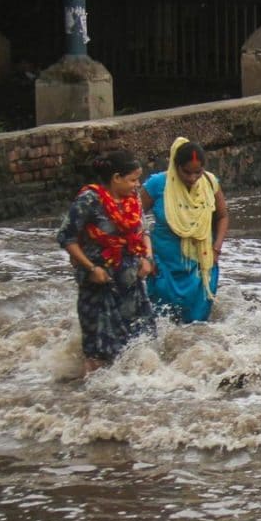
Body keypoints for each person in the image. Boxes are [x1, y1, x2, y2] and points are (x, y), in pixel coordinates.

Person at [56, 150, 157, 376]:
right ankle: (93, 397)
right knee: (99, 352)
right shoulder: (90, 200)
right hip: (99, 285)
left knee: (140, 342)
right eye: (132, 179)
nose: (137, 184)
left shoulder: (133, 199)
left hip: (131, 282)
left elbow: (143, 230)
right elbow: (66, 237)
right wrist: (91, 268)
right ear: (116, 178)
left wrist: (148, 258)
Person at [141, 137, 229, 323]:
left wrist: (216, 249)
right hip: (164, 266)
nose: (192, 178)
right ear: (175, 166)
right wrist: (146, 256)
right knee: (161, 322)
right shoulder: (157, 185)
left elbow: (222, 216)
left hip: (201, 265)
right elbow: (134, 219)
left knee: (197, 327)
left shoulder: (210, 183)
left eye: (198, 172)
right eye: (186, 172)